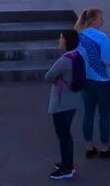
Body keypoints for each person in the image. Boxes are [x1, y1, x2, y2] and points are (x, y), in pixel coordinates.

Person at [74, 9, 110, 160]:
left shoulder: (79, 35)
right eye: (100, 18)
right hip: (102, 81)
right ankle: (104, 147)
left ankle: (89, 146)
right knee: (104, 114)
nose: (103, 21)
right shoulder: (103, 37)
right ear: (93, 20)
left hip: (86, 80)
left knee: (88, 113)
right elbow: (108, 60)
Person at [44, 28, 83, 180]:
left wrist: (56, 78)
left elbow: (48, 76)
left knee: (64, 136)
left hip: (62, 103)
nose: (59, 41)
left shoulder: (64, 60)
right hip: (72, 101)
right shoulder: (77, 56)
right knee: (66, 135)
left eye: (61, 38)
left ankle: (67, 168)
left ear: (66, 41)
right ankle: (67, 163)